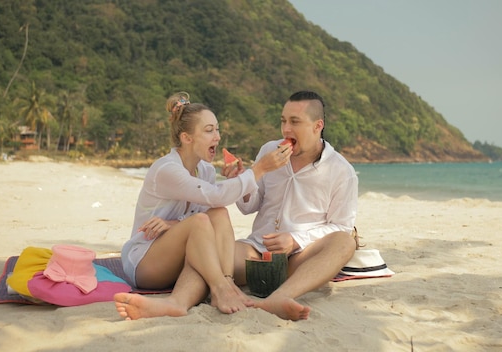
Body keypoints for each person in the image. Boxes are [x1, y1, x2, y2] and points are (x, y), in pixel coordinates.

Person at [113, 92, 291, 320]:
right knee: (203, 220)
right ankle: (221, 288)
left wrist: (172, 224)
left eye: (217, 129)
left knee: (218, 214)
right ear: (187, 138)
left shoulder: (205, 170)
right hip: (145, 262)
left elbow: (209, 212)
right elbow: (210, 202)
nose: (217, 136)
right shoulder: (166, 169)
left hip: (179, 257)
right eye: (208, 131)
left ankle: (182, 301)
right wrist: (259, 170)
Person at [224, 90, 359, 321]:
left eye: (295, 122)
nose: (286, 129)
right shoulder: (269, 151)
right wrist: (241, 179)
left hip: (299, 260)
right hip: (256, 252)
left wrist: (295, 239)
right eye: (283, 121)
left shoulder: (341, 171)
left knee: (345, 242)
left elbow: (341, 226)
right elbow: (250, 206)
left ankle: (281, 296)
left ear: (318, 126)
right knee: (210, 253)